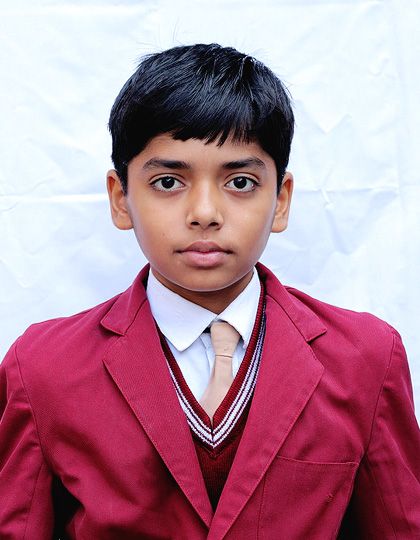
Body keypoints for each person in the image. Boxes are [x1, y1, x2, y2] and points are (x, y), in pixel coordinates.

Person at [0, 43, 419, 539]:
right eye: (168, 182)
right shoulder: (43, 369)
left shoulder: (365, 359)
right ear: (121, 199)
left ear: (281, 201)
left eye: (240, 182)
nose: (204, 213)